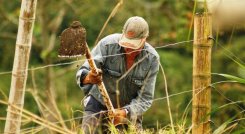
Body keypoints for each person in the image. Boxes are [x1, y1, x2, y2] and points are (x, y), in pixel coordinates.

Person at [76, 16, 159, 134]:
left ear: (144, 39)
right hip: (98, 105)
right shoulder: (107, 45)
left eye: (133, 46)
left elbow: (145, 98)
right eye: (126, 44)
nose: (128, 49)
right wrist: (89, 77)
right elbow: (82, 73)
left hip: (129, 111)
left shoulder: (152, 59)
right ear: (123, 34)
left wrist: (125, 112)